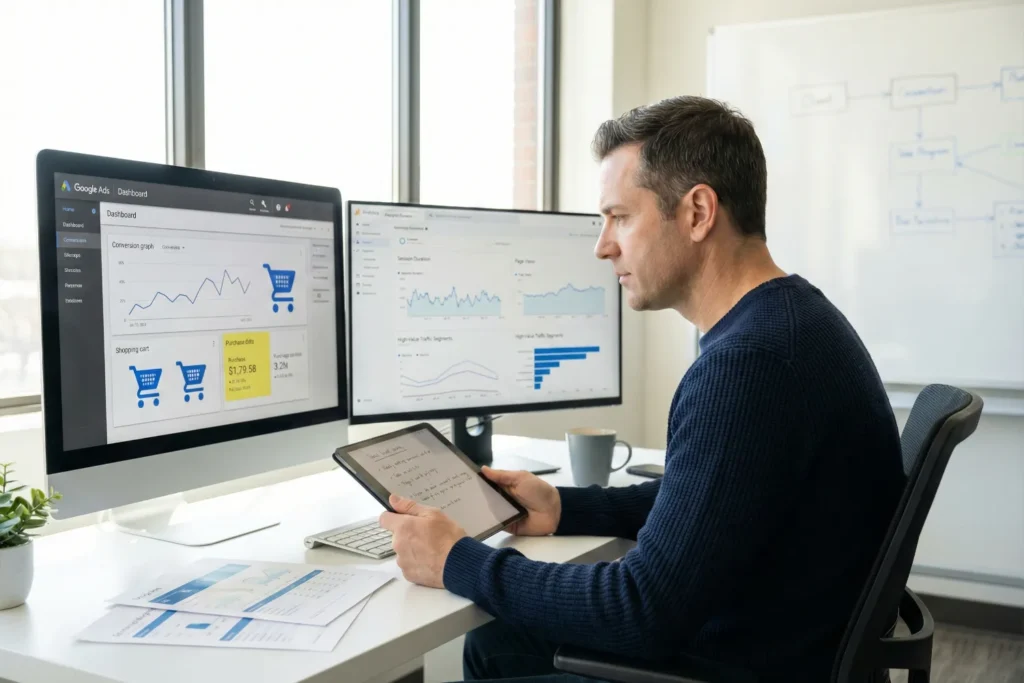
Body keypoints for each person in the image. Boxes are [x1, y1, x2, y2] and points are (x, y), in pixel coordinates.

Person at [379, 96, 905, 683]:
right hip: (781, 641)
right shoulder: (791, 320)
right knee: (496, 644)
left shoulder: (750, 365)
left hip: (741, 664)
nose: (603, 245)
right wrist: (567, 507)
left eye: (620, 217)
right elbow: (713, 500)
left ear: (698, 212)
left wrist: (456, 560)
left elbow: (642, 611)